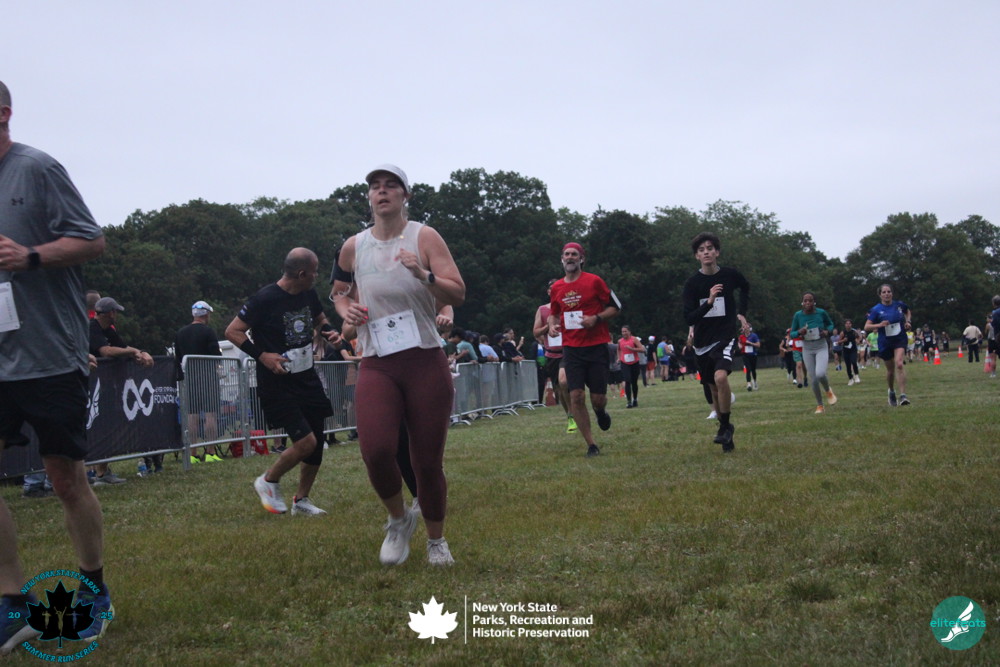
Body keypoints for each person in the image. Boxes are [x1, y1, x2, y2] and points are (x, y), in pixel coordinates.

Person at [0, 79, 113, 652]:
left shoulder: (37, 168)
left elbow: (91, 241)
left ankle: (95, 594)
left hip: (49, 353)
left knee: (65, 478)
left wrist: (31, 256)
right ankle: (11, 603)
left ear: (4, 114)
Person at [330, 164, 465, 566]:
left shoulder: (424, 236)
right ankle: (398, 519)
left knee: (426, 461)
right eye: (375, 186)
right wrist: (347, 309)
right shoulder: (354, 245)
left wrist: (423, 274)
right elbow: (338, 292)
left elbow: (457, 293)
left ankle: (437, 541)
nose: (382, 191)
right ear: (369, 197)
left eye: (391, 185)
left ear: (406, 195)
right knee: (375, 450)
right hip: (377, 362)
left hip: (423, 359)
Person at [226, 247, 335, 518]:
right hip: (277, 382)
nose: (317, 276)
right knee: (305, 442)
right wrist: (262, 356)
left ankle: (302, 500)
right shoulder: (264, 298)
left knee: (316, 444)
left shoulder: (308, 293)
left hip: (307, 378)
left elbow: (320, 318)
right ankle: (268, 480)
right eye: (315, 272)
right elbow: (233, 331)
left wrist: (328, 332)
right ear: (302, 273)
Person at [547, 242, 619, 457]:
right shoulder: (557, 287)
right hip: (572, 349)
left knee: (597, 398)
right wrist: (552, 325)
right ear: (562, 259)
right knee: (576, 395)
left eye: (574, 254)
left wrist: (596, 318)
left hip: (596, 346)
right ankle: (591, 444)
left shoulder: (594, 281)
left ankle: (600, 411)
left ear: (581, 259)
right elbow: (554, 313)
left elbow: (616, 307)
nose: (570, 257)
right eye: (566, 254)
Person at [683, 232, 750, 452]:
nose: (706, 253)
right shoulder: (692, 284)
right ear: (697, 256)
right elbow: (689, 318)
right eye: (701, 250)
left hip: (725, 336)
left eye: (710, 248)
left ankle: (724, 426)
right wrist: (709, 302)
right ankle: (726, 430)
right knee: (712, 388)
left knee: (721, 377)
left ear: (717, 252)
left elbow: (745, 287)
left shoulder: (729, 275)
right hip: (702, 341)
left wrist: (742, 313)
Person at [89, 296, 154, 484]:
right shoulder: (92, 328)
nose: (116, 315)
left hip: (102, 387)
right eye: (115, 311)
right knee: (94, 428)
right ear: (111, 313)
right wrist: (133, 352)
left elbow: (123, 346)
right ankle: (94, 472)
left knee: (104, 427)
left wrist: (140, 352)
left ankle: (101, 472)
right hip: (89, 387)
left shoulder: (108, 330)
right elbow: (106, 351)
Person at [174, 299, 223, 465]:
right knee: (210, 415)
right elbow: (216, 355)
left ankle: (192, 453)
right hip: (208, 377)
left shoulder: (180, 333)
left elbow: (178, 357)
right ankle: (210, 451)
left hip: (189, 378)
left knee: (192, 416)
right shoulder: (208, 332)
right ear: (206, 314)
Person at [532, 280, 574, 432]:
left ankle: (574, 412)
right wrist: (548, 326)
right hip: (552, 354)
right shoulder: (542, 309)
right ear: (548, 292)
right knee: (559, 389)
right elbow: (535, 332)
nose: (554, 290)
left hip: (569, 351)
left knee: (564, 382)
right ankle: (570, 415)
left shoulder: (569, 306)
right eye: (551, 288)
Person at [864, 283, 912, 406]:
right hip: (885, 342)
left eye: (889, 291)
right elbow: (867, 326)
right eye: (884, 292)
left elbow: (907, 311)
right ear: (880, 295)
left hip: (899, 339)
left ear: (892, 293)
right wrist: (879, 325)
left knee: (899, 364)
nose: (887, 294)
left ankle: (903, 396)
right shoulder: (876, 310)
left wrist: (908, 322)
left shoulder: (899, 305)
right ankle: (891, 391)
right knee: (890, 371)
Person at [790, 292, 837, 414]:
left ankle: (828, 391)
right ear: (802, 302)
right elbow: (792, 333)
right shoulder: (798, 315)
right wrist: (799, 332)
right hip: (807, 348)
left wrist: (827, 332)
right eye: (805, 300)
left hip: (821, 346)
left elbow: (830, 325)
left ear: (814, 302)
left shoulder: (821, 313)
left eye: (810, 300)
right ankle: (820, 405)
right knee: (814, 379)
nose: (807, 303)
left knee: (820, 373)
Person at [618, 325, 643, 408]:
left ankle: (635, 399)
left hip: (634, 363)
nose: (624, 333)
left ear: (629, 332)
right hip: (624, 363)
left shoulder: (634, 339)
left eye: (625, 331)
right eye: (622, 331)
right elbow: (618, 349)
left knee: (634, 382)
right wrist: (619, 358)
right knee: (627, 381)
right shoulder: (620, 341)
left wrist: (632, 349)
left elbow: (642, 349)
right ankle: (629, 401)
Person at [840, 319, 861, 385]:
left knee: (854, 361)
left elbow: (859, 337)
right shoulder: (843, 333)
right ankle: (850, 379)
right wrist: (843, 340)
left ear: (851, 324)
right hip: (846, 350)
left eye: (849, 323)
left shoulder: (854, 332)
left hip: (853, 349)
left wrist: (857, 341)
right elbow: (838, 342)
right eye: (847, 323)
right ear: (845, 325)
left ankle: (856, 375)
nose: (848, 325)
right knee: (848, 365)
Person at [741, 326, 760, 391]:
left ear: (749, 329)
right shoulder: (742, 336)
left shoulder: (754, 336)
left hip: (753, 355)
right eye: (744, 328)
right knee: (748, 369)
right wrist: (740, 346)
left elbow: (758, 345)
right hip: (745, 355)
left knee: (753, 370)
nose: (745, 329)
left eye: (747, 328)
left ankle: (754, 381)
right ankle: (748, 384)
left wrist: (750, 343)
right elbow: (739, 343)